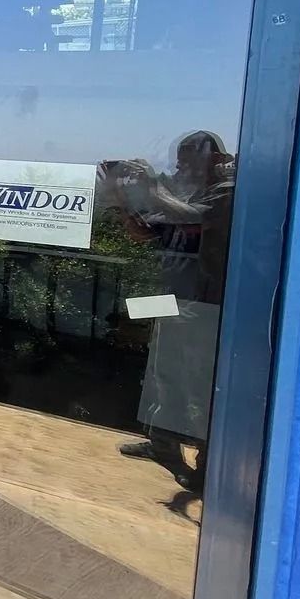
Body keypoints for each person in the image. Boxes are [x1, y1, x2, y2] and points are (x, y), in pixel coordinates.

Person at [119, 131, 234, 497]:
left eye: (188, 160)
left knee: (200, 384)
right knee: (162, 373)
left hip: (204, 305)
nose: (181, 167)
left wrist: (152, 187)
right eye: (179, 160)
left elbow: (194, 219)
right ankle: (162, 442)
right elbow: (147, 233)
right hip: (171, 300)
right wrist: (124, 203)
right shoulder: (186, 190)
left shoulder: (227, 191)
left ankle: (208, 468)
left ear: (214, 159)